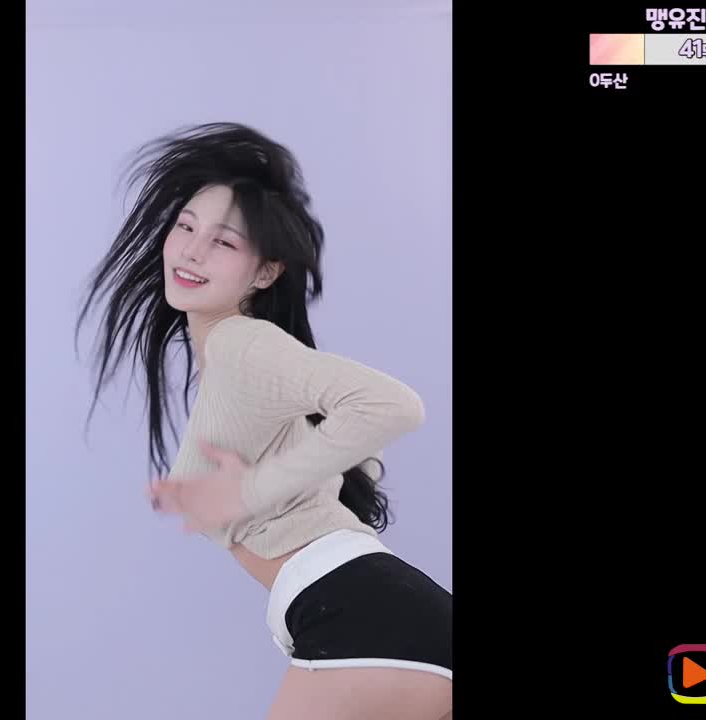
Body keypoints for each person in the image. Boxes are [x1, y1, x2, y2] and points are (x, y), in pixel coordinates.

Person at [76, 122, 452, 720]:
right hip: (383, 612)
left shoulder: (241, 344)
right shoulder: (245, 362)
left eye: (224, 243)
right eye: (185, 228)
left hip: (362, 615)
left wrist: (249, 490)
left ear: (266, 272)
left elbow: (395, 405)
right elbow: (357, 455)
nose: (192, 251)